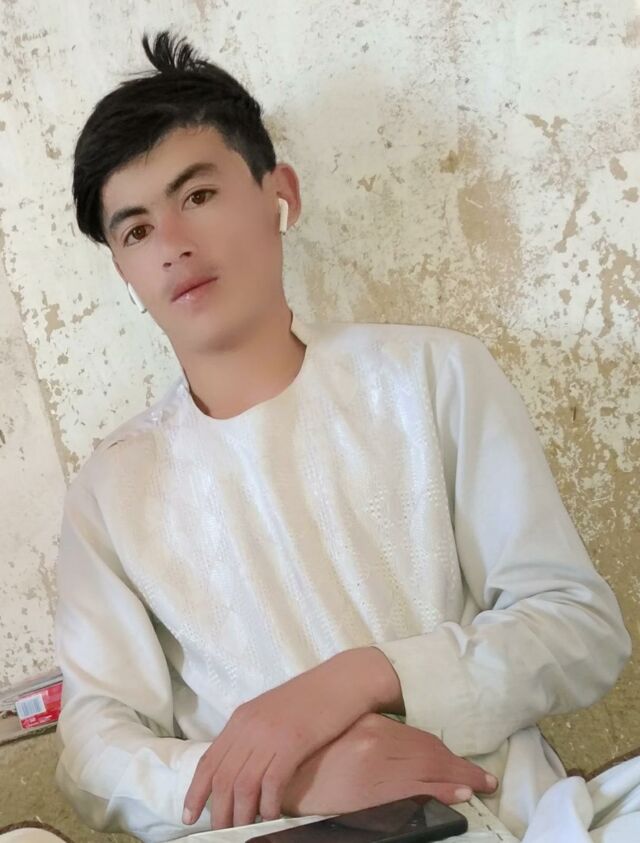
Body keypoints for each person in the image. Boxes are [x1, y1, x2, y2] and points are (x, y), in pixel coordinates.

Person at [54, 30, 637, 843]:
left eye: (199, 195)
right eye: (136, 231)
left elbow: (580, 628)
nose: (174, 245)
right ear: (123, 270)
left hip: (498, 815)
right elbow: (94, 749)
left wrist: (364, 678)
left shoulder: (432, 376)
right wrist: (288, 779)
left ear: (280, 195)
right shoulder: (112, 491)